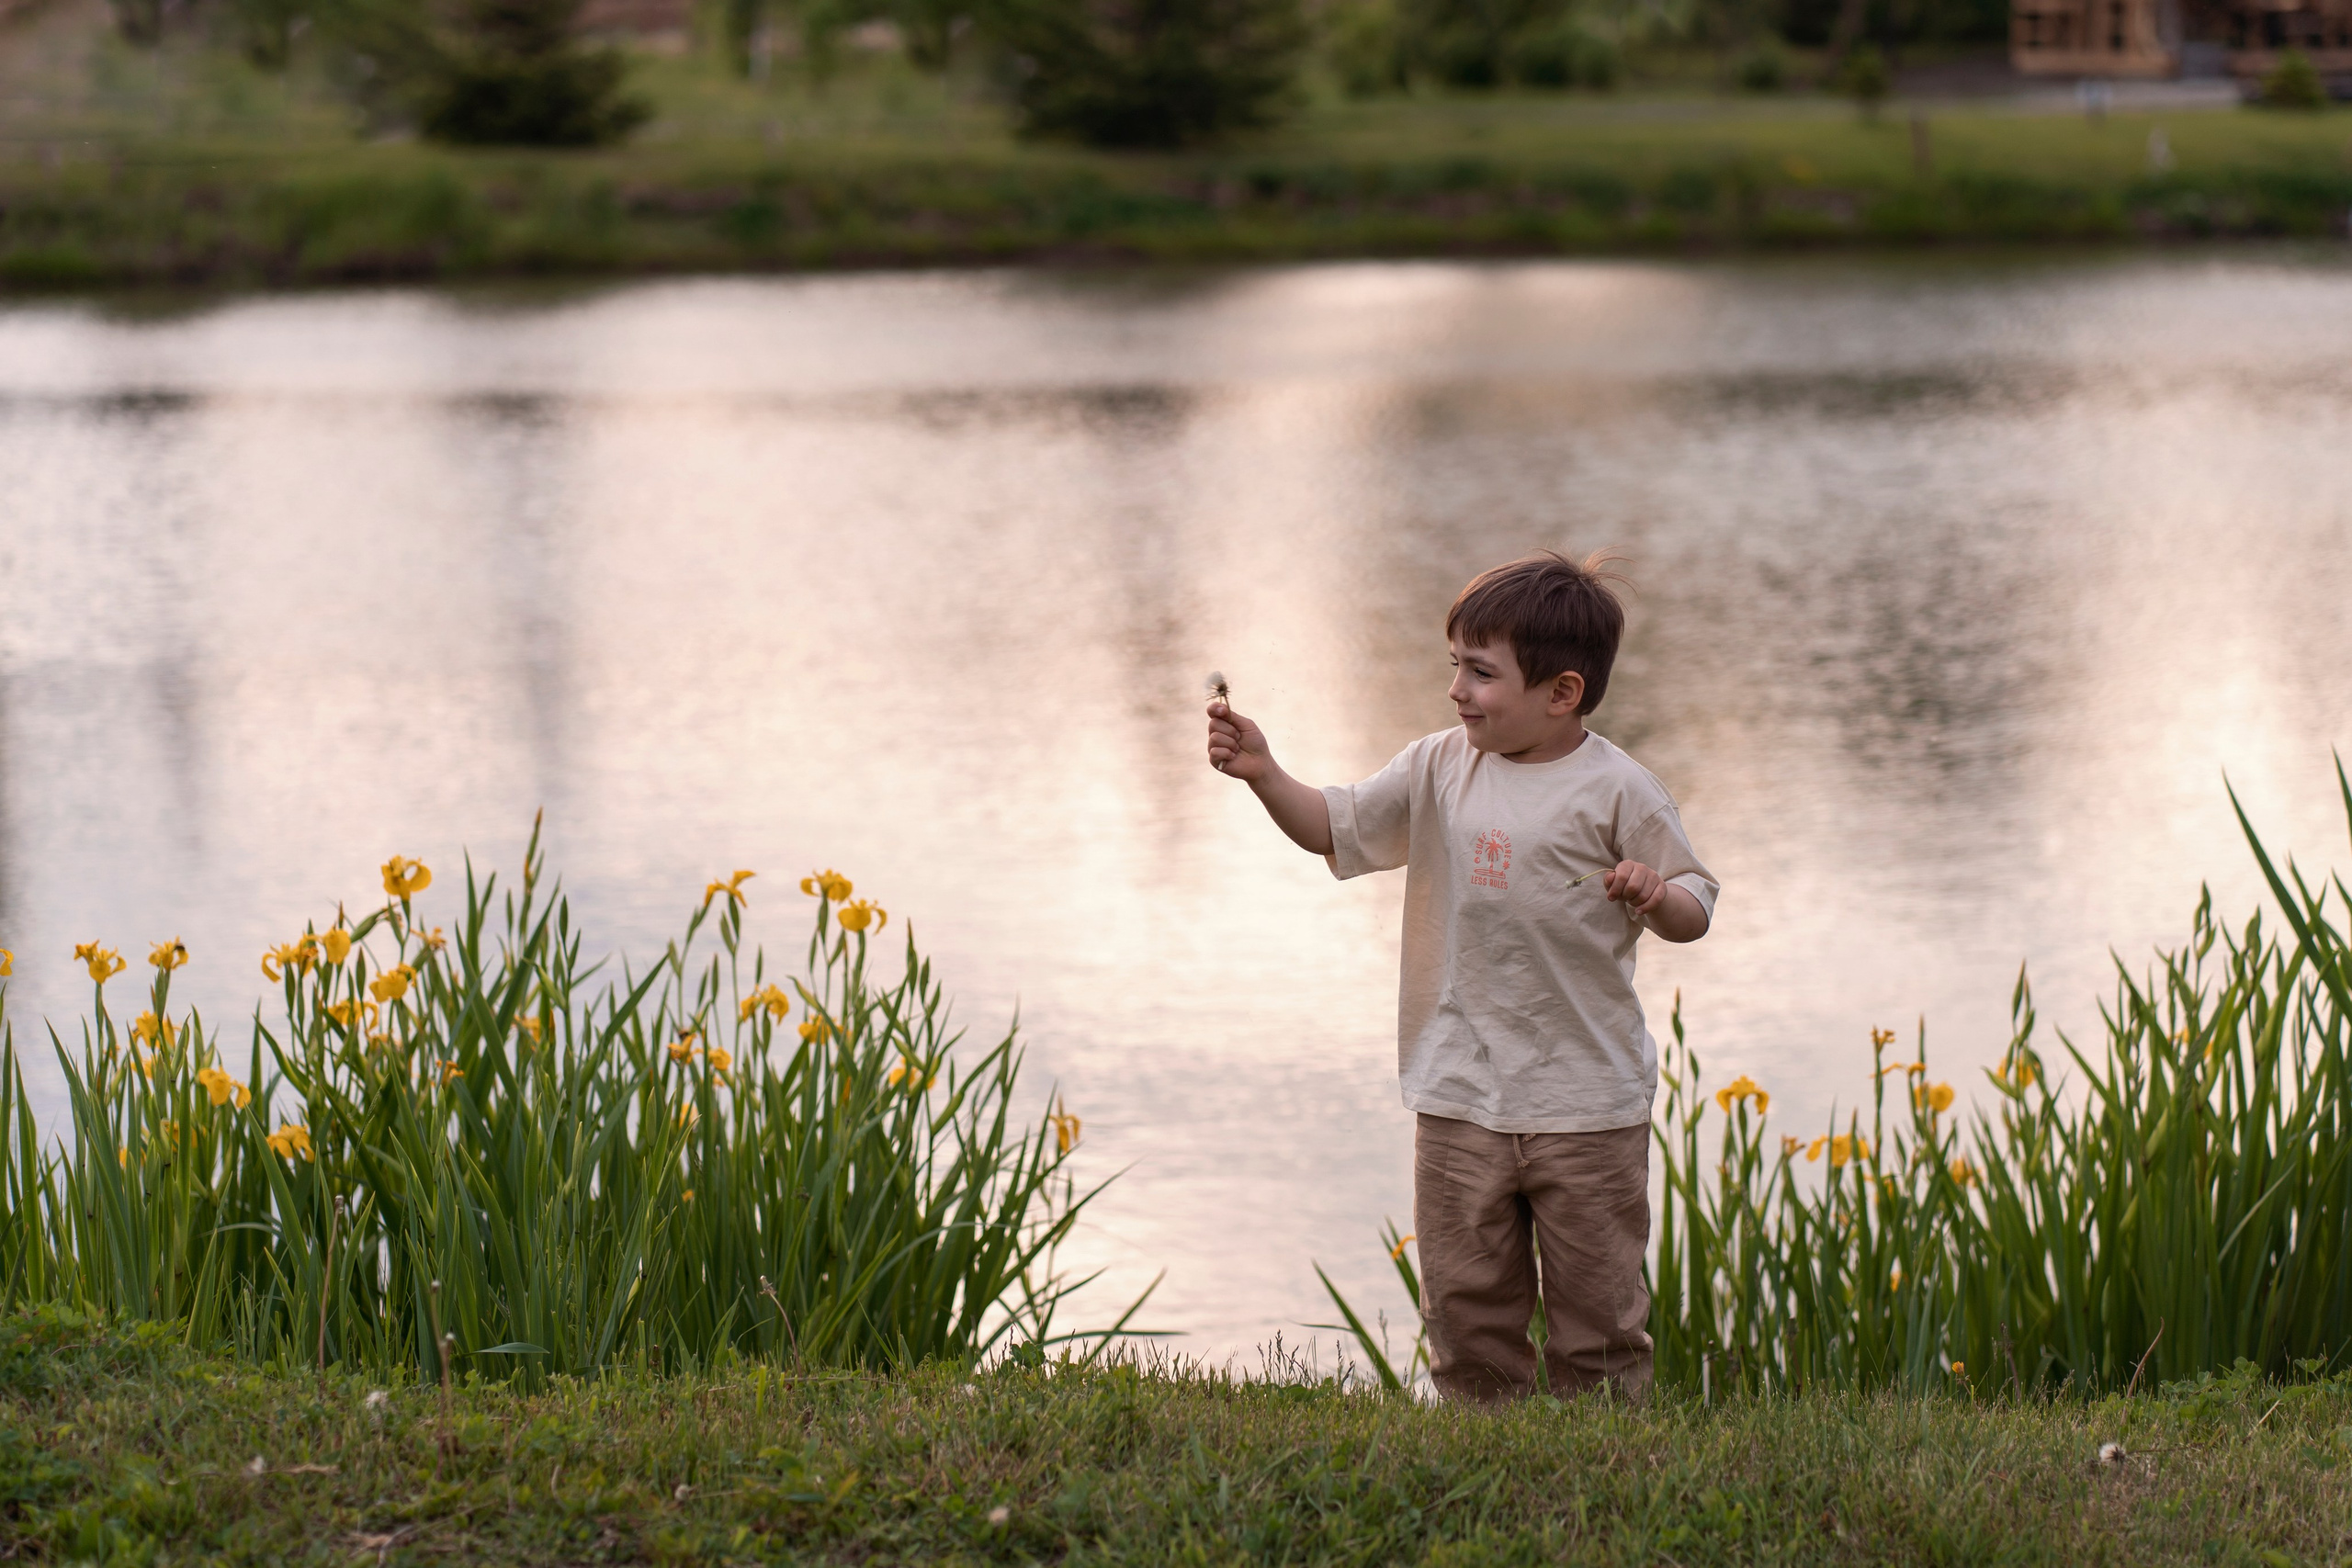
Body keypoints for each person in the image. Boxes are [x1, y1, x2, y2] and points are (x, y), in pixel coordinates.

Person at [1204, 550, 1716, 1403]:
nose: (1456, 690)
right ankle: (1486, 1448)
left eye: (1481, 673)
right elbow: (1335, 827)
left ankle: (1611, 1461)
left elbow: (1696, 904)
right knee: (1467, 1312)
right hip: (1457, 1095)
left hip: (1585, 1105)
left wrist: (1658, 894)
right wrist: (1265, 773)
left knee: (1599, 1321)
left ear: (1561, 693)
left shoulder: (1621, 791)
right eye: (1456, 666)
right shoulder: (1440, 765)